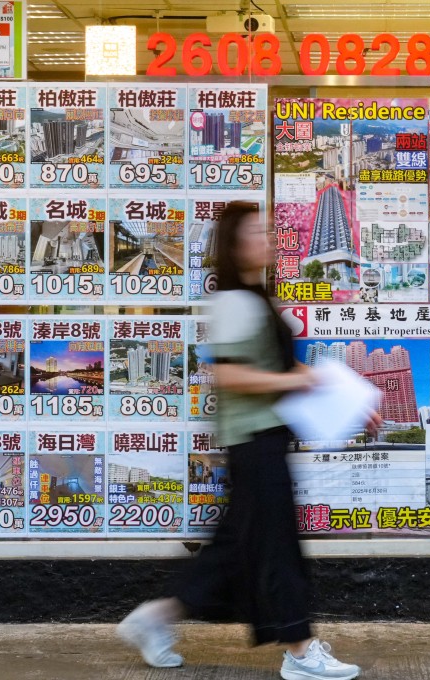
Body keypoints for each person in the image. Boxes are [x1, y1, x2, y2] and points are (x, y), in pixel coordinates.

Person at [117, 201, 369, 680]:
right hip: (252, 442)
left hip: (263, 438)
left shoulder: (257, 297)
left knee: (234, 550)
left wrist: (353, 399)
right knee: (277, 547)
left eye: (267, 230)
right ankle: (299, 649)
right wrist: (298, 384)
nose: (268, 237)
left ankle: (153, 619)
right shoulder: (235, 301)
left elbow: (284, 367)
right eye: (257, 231)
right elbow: (230, 373)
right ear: (235, 246)